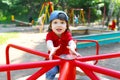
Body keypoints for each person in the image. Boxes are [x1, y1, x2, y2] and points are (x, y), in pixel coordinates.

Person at [45, 10, 81, 80]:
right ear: (50, 25)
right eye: (55, 22)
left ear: (66, 25)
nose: (59, 25)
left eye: (62, 22)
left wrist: (72, 47)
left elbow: (71, 41)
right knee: (51, 71)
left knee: (68, 73)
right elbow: (49, 42)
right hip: (53, 59)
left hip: (66, 59)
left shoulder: (67, 34)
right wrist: (52, 48)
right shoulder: (50, 35)